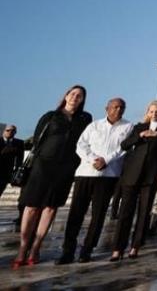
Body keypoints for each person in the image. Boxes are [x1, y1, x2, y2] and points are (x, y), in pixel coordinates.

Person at [15, 84, 93, 268]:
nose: (75, 97)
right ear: (66, 96)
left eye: (79, 95)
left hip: (65, 168)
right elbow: (37, 139)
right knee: (31, 207)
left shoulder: (85, 119)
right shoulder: (50, 116)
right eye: (72, 93)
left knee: (50, 208)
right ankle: (23, 248)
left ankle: (36, 248)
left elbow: (86, 141)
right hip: (42, 166)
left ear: (82, 100)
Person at [56, 98, 132, 264]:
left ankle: (87, 250)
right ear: (107, 108)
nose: (118, 110)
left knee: (98, 215)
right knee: (76, 213)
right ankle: (68, 251)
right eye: (115, 107)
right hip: (86, 173)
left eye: (121, 107)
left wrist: (106, 160)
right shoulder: (94, 125)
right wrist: (93, 159)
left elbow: (125, 148)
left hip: (108, 175)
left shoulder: (128, 127)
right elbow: (81, 145)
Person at [111, 100, 157, 260]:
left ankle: (135, 246)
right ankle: (117, 248)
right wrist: (141, 135)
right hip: (133, 172)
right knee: (125, 211)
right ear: (147, 112)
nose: (154, 114)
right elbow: (125, 145)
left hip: (152, 173)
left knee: (144, 211)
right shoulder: (139, 127)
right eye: (151, 111)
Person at [1, 124, 24, 199]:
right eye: (8, 130)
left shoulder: (19, 143)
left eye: (13, 131)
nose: (10, 132)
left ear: (15, 132)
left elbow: (20, 158)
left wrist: (17, 170)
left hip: (9, 171)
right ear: (3, 131)